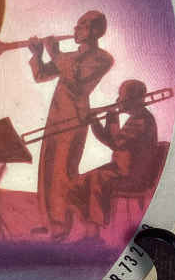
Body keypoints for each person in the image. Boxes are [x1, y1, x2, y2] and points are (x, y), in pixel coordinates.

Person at [28, 10, 114, 240]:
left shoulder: (102, 58)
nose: (76, 29)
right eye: (77, 24)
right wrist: (38, 55)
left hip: (74, 121)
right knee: (47, 169)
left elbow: (76, 80)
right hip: (55, 119)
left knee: (63, 171)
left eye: (82, 25)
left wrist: (55, 53)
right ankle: (49, 223)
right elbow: (41, 75)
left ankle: (63, 225)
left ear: (96, 31)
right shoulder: (70, 57)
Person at [68, 80, 159, 238]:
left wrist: (112, 117)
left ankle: (94, 235)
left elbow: (116, 143)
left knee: (96, 181)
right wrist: (94, 120)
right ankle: (90, 229)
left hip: (133, 176)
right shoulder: (136, 118)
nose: (118, 100)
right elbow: (110, 140)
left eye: (121, 96)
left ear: (133, 98)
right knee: (78, 183)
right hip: (120, 170)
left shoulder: (142, 120)